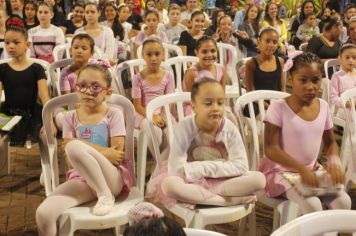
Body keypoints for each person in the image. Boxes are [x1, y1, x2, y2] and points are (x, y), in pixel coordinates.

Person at [36, 64, 134, 236]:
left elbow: (116, 156)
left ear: (107, 92)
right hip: (82, 179)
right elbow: (69, 161)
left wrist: (76, 143)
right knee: (43, 213)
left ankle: (105, 195)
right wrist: (102, 151)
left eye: (95, 87)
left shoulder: (114, 114)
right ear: (76, 88)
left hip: (111, 180)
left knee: (73, 145)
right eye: (82, 85)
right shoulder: (70, 118)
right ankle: (100, 193)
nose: (88, 91)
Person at [146, 78, 266, 207]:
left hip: (224, 179)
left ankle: (198, 198)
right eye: (208, 103)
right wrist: (198, 173)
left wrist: (201, 169)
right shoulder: (185, 126)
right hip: (191, 181)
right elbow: (176, 168)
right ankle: (228, 201)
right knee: (169, 185)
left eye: (220, 103)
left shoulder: (229, 127)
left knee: (259, 180)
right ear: (194, 107)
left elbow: (241, 166)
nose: (215, 108)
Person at [260, 52, 351, 215]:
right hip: (282, 173)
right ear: (290, 80)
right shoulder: (278, 108)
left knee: (344, 201)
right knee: (312, 204)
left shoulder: (323, 106)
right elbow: (270, 148)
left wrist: (334, 162)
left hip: (312, 171)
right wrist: (300, 169)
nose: (310, 86)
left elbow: (330, 142)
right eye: (303, 80)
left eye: (315, 80)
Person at [0, 23, 51, 146]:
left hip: (32, 116)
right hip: (8, 114)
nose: (11, 46)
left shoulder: (37, 68)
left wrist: (49, 121)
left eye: (16, 42)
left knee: (46, 135)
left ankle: (48, 163)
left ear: (27, 45)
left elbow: (44, 97)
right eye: (7, 43)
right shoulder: (2, 69)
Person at [132, 39, 174, 161]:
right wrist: (152, 116)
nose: (153, 58)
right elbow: (137, 105)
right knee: (156, 133)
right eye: (149, 54)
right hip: (143, 114)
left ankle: (165, 165)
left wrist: (163, 115)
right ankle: (160, 165)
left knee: (175, 134)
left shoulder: (168, 76)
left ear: (163, 55)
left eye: (157, 54)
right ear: (143, 56)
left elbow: (169, 101)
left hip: (163, 112)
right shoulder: (137, 78)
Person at [245, 27, 285, 93]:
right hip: (256, 101)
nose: (271, 45)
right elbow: (250, 92)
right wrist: (267, 104)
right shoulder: (251, 64)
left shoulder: (280, 61)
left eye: (275, 42)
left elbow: (282, 88)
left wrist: (278, 102)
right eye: (267, 41)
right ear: (259, 42)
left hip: (276, 101)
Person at [330, 43, 356, 118]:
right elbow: (333, 97)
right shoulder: (337, 76)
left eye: (354, 58)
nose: (351, 60)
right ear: (340, 59)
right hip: (345, 108)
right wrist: (346, 103)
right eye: (347, 57)